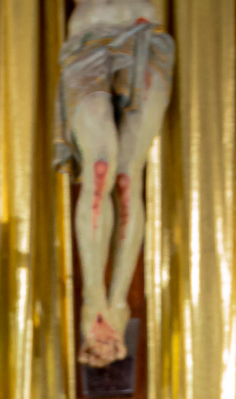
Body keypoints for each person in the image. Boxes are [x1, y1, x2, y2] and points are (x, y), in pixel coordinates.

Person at [53, 0, 174, 367]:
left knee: (126, 177)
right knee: (100, 168)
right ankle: (93, 299)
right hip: (86, 43)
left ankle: (117, 302)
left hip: (144, 38)